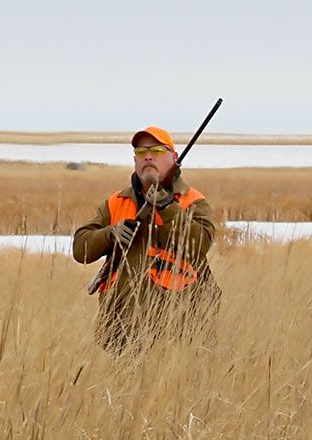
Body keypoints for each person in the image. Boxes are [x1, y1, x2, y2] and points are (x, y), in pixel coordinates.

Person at [72, 125, 220, 352]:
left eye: (158, 150)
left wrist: (167, 208)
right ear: (135, 160)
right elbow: (81, 249)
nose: (148, 156)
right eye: (141, 152)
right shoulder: (117, 201)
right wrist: (110, 234)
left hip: (179, 334)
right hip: (120, 330)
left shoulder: (192, 201)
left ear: (174, 157)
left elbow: (199, 245)